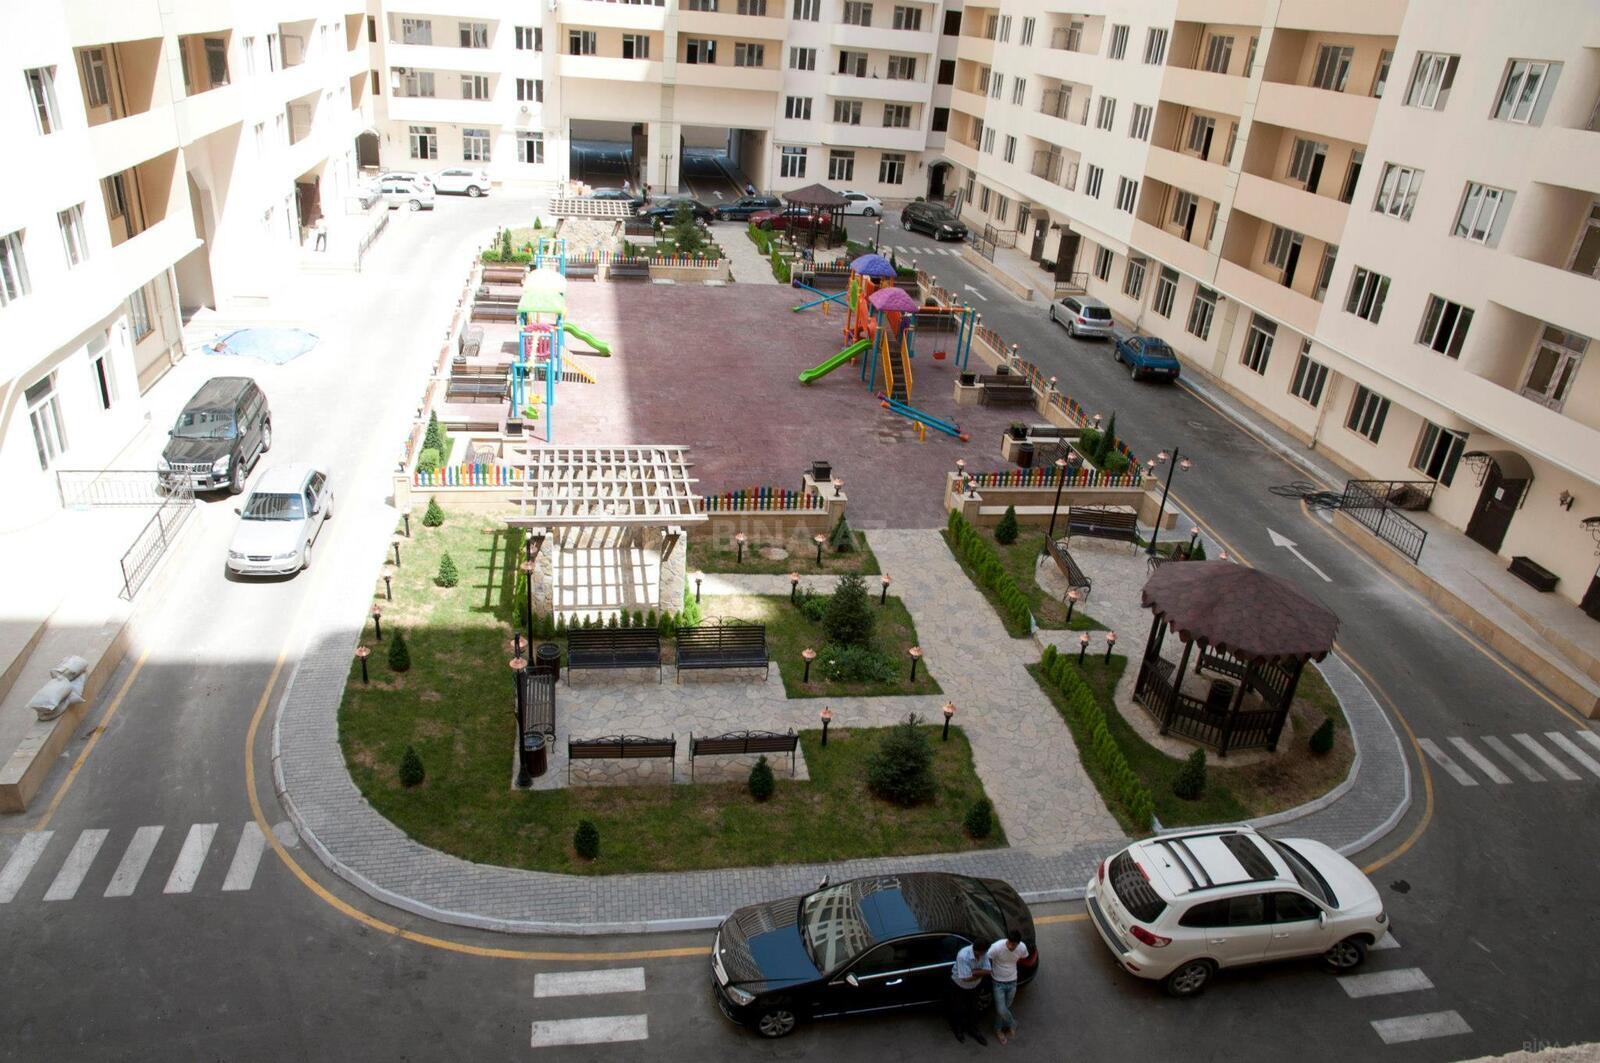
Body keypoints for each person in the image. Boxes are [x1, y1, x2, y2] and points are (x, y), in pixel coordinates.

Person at [985, 930, 1030, 1044]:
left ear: (1018, 944)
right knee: (1001, 1009)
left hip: (1012, 981)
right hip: (998, 982)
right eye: (1009, 943)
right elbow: (987, 959)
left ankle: (998, 1029)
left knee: (1004, 1009)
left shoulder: (1022, 948)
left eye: (1013, 944)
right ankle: (1012, 1023)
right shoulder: (996, 947)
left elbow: (1023, 957)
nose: (1010, 946)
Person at [946, 942, 989, 1045]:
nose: (984, 955)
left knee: (974, 1008)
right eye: (983, 953)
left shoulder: (984, 953)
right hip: (959, 986)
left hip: (975, 986)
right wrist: (980, 973)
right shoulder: (963, 956)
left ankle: (973, 1029)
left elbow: (988, 970)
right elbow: (966, 978)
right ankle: (958, 1030)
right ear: (977, 951)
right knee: (957, 1008)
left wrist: (973, 972)